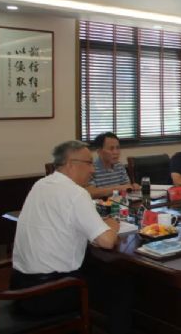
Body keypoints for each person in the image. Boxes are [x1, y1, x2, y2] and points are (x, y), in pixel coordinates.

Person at [11, 141, 127, 329]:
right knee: (121, 284)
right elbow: (106, 241)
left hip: (20, 288)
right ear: (71, 164)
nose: (93, 170)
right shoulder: (76, 193)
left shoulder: (40, 184)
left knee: (97, 269)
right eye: (89, 163)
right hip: (51, 293)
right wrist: (113, 225)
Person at [86, 132, 139, 199]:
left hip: (119, 203)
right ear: (99, 151)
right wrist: (117, 189)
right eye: (111, 149)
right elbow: (91, 193)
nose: (116, 152)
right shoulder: (91, 169)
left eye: (118, 148)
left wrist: (133, 187)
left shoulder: (119, 166)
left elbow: (126, 187)